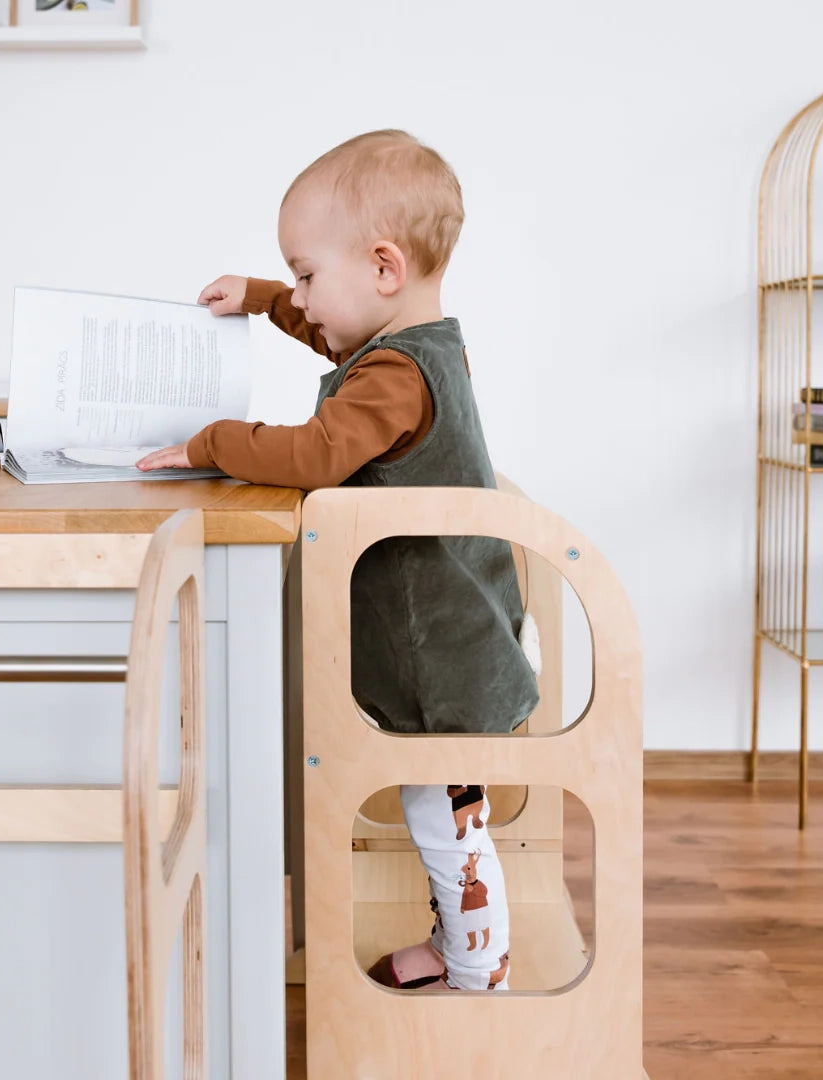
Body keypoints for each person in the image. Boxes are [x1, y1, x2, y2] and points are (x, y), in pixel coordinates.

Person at [137, 129, 540, 991]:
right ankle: (459, 945)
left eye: (308, 275)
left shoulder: (394, 376)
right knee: (441, 813)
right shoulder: (407, 348)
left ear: (384, 269)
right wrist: (264, 297)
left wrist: (210, 441)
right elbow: (332, 339)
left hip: (442, 656)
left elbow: (318, 451)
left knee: (446, 823)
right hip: (453, 633)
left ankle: (478, 976)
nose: (304, 296)